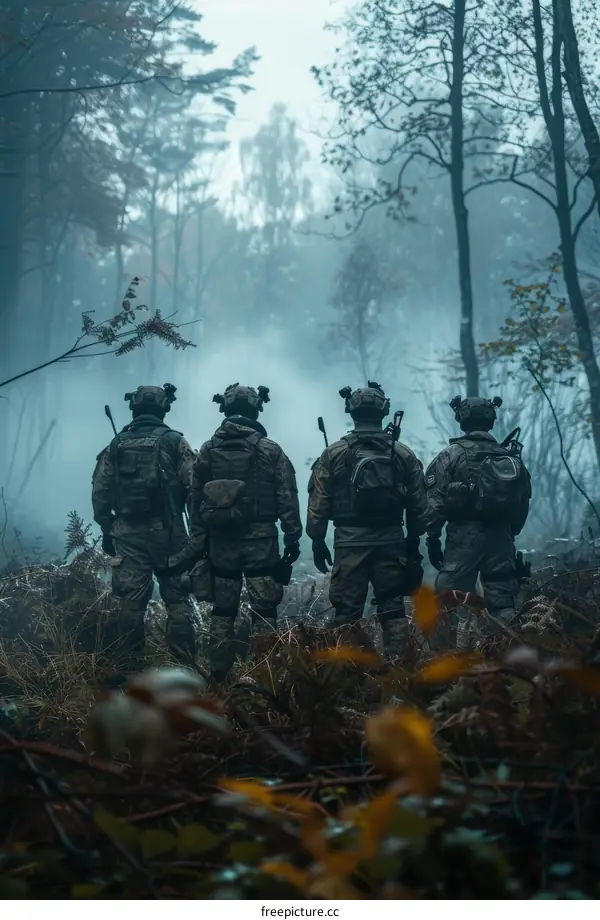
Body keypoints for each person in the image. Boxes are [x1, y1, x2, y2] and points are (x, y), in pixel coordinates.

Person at [178, 383, 303, 681]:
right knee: (264, 610)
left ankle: (218, 677)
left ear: (225, 409)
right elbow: (287, 494)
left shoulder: (208, 449)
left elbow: (194, 499)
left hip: (221, 542)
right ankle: (267, 675)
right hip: (261, 541)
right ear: (256, 409)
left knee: (223, 611)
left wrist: (198, 540)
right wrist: (292, 536)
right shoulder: (270, 449)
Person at [306, 382, 428, 657]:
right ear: (384, 411)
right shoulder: (403, 453)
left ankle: (349, 678)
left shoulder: (334, 453)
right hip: (391, 541)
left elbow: (319, 503)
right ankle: (399, 674)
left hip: (349, 543)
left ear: (351, 411)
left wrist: (317, 539)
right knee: (394, 609)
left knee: (346, 613)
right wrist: (413, 541)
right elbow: (420, 507)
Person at [91, 384, 197, 671]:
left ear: (134, 408)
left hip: (127, 533)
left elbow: (100, 491)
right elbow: (194, 486)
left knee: (131, 603)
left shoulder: (116, 444)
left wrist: (107, 527)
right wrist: (195, 532)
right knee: (177, 601)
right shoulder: (176, 441)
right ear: (164, 408)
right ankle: (185, 669)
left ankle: (130, 669)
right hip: (169, 532)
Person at [424, 395, 532, 646]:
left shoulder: (450, 454)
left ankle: (443, 665)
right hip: (502, 537)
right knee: (503, 599)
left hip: (463, 537)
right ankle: (509, 657)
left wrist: (432, 536)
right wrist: (510, 533)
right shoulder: (509, 457)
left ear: (461, 419)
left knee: (446, 600)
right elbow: (523, 499)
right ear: (491, 421)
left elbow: (433, 501)